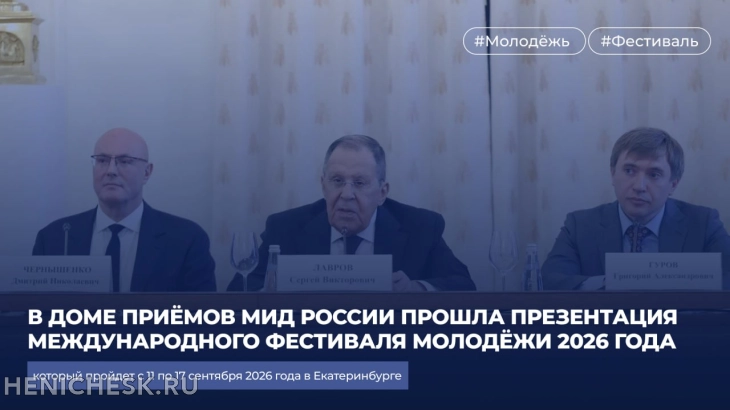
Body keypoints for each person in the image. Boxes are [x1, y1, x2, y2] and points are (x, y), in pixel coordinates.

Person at [230, 134, 475, 292]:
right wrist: (270, 292)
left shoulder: (420, 227)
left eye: (359, 183)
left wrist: (415, 288)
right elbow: (239, 290)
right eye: (337, 181)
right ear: (323, 185)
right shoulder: (285, 228)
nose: (346, 194)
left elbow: (464, 285)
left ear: (382, 192)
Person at [542, 127, 730, 290]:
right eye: (629, 171)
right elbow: (552, 280)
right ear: (613, 173)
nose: (639, 186)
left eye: (654, 174)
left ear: (673, 184)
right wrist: (611, 283)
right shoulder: (580, 225)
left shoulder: (703, 223)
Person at [32, 128, 217, 292]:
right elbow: (35, 314)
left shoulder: (186, 240)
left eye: (125, 161)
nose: (111, 170)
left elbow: (200, 316)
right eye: (102, 160)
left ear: (147, 172)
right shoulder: (53, 239)